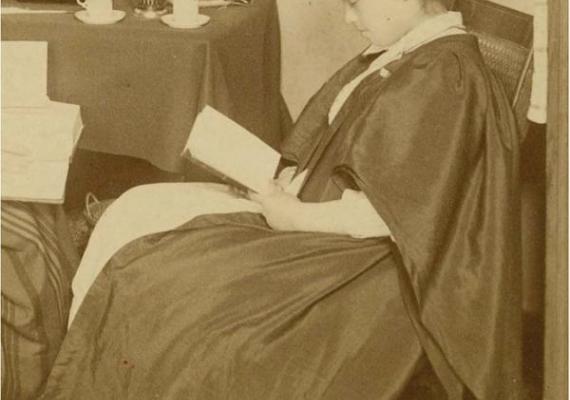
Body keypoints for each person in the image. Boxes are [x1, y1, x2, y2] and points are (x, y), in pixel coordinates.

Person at [41, 0, 522, 398]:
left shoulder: (443, 72)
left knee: (158, 278)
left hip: (363, 266)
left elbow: (393, 211)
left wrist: (292, 215)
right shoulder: (415, 53)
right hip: (321, 218)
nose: (350, 18)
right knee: (138, 207)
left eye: (356, 4)